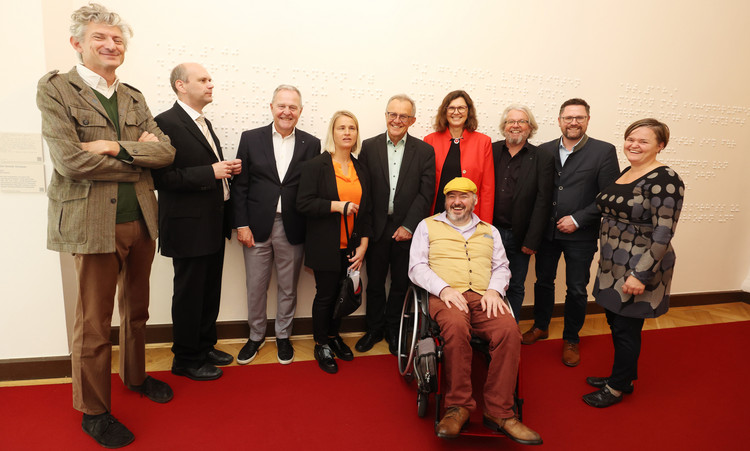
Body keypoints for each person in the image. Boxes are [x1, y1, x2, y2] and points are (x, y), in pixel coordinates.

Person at [36, 4, 175, 448]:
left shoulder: (133, 96)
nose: (111, 45)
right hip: (92, 224)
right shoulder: (57, 89)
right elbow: (71, 161)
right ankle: (94, 410)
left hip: (141, 221)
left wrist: (113, 145)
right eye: (100, 38)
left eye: (117, 39)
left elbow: (168, 152)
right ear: (77, 43)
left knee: (136, 311)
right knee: (93, 324)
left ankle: (135, 378)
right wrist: (137, 156)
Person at [409, 177, 542, 445]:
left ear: (474, 200)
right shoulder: (427, 226)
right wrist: (444, 289)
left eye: (464, 196)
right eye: (452, 197)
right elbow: (417, 267)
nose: (457, 202)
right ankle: (458, 407)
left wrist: (494, 290)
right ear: (445, 200)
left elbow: (502, 267)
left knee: (509, 330)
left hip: (484, 296)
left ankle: (500, 412)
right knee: (456, 329)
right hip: (445, 295)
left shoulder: (489, 231)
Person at [583, 119, 684, 408]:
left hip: (641, 264)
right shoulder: (629, 171)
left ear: (660, 146)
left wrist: (640, 275)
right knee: (616, 322)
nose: (634, 145)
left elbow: (664, 232)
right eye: (630, 138)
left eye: (643, 141)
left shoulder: (666, 179)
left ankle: (615, 389)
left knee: (626, 328)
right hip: (613, 263)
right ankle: (622, 377)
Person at [153, 63, 241, 381]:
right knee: (190, 294)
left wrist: (225, 169)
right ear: (181, 85)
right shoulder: (165, 123)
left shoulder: (204, 122)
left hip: (211, 224)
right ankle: (186, 359)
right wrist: (211, 172)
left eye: (210, 79)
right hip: (188, 227)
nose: (210, 84)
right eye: (202, 80)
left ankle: (204, 347)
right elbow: (160, 177)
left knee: (208, 292)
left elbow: (204, 168)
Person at [522, 98, 620, 368]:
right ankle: (541, 326)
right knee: (543, 281)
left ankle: (571, 338)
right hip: (547, 233)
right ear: (559, 120)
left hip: (581, 234)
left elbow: (609, 196)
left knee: (576, 289)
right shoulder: (543, 150)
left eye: (579, 117)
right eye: (568, 117)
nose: (573, 122)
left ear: (587, 120)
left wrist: (578, 219)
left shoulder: (603, 151)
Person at [231, 85, 321, 365]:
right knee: (256, 287)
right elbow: (240, 186)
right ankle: (256, 336)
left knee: (288, 287)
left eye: (293, 107)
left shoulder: (312, 143)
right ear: (271, 107)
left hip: (292, 228)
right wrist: (241, 224)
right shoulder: (250, 139)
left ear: (300, 112)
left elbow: (311, 190)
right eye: (282, 106)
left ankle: (283, 335)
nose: (287, 111)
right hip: (256, 227)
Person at [355, 94, 435, 355]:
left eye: (403, 116)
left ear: (412, 120)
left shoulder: (424, 151)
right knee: (375, 283)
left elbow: (426, 193)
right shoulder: (369, 146)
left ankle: (393, 330)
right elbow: (364, 192)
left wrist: (410, 226)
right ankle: (373, 329)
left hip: (406, 230)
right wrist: (365, 230)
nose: (397, 120)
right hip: (377, 229)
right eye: (392, 114)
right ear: (386, 115)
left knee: (400, 284)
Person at [297, 110, 371, 374]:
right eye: (342, 128)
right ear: (333, 132)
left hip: (352, 246)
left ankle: (334, 336)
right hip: (326, 245)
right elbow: (303, 203)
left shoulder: (361, 167)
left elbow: (368, 209)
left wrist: (363, 245)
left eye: (352, 128)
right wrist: (337, 206)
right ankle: (321, 343)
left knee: (345, 294)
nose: (347, 132)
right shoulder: (316, 165)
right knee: (327, 295)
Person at [492, 105, 554, 321]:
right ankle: (486, 330)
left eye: (522, 121)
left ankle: (510, 328)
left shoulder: (542, 157)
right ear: (504, 126)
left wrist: (532, 240)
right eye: (511, 121)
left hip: (520, 235)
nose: (515, 126)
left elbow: (543, 201)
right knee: (486, 283)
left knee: (515, 284)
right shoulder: (490, 150)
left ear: (530, 127)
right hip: (489, 233)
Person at [424, 90, 494, 223]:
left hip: (469, 218)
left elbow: (487, 189)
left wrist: (485, 224)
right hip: (435, 215)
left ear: (469, 111)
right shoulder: (429, 141)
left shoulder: (483, 142)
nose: (456, 112)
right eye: (451, 108)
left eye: (461, 108)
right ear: (445, 111)